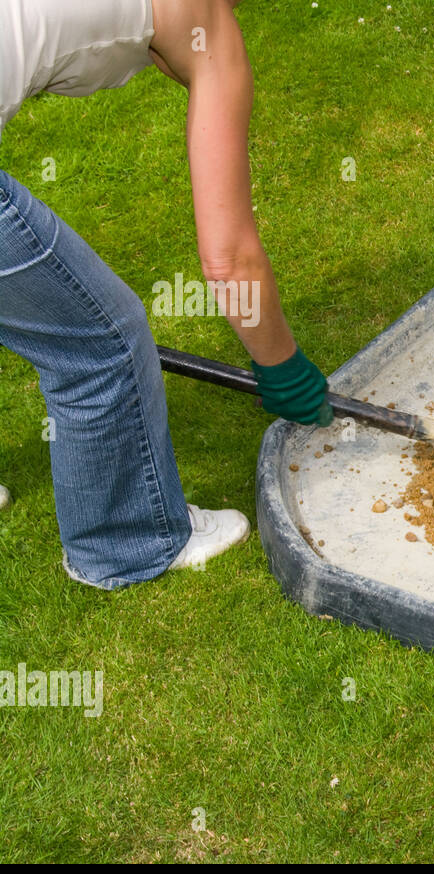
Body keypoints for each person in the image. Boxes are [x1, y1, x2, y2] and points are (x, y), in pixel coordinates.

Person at [0, 0, 332, 588]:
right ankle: (127, 545)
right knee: (103, 345)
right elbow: (228, 260)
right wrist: (283, 367)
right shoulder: (208, 23)